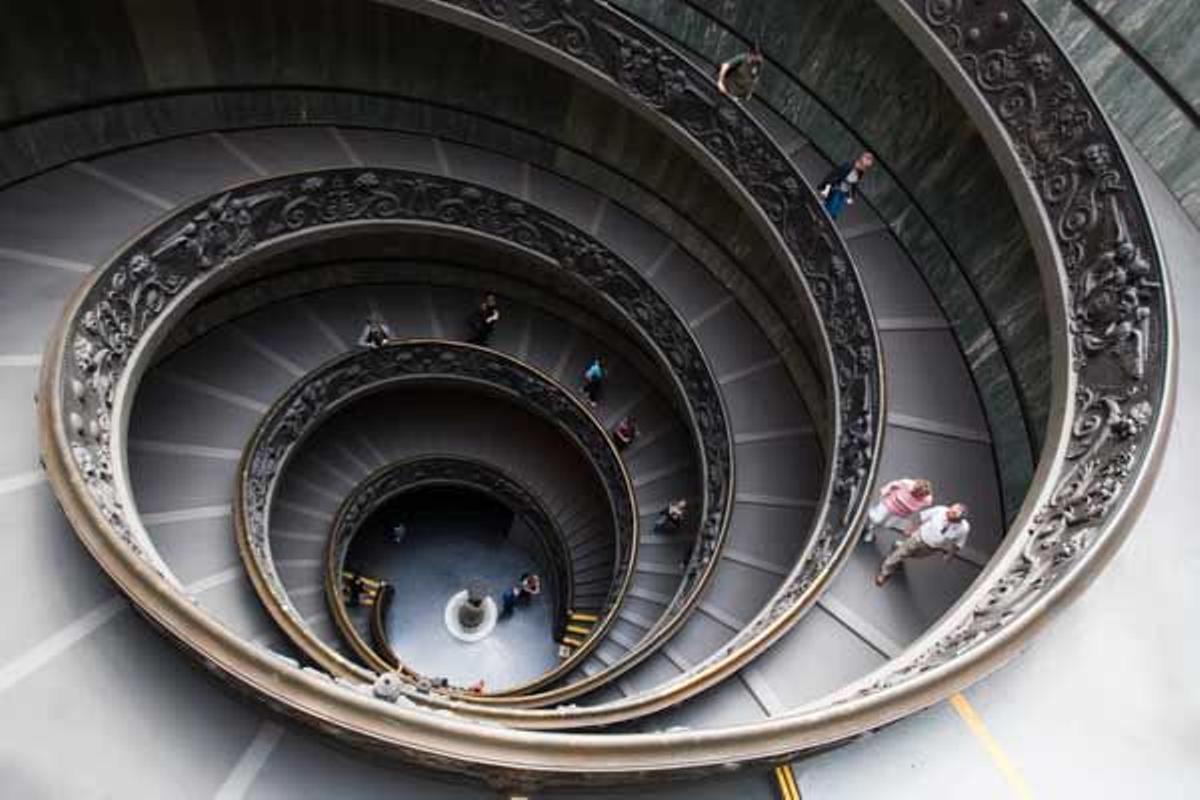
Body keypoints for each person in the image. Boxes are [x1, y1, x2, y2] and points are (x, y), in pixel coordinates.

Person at [875, 503, 970, 586]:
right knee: (901, 553)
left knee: (913, 555)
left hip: (931, 548)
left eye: (953, 513)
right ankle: (885, 572)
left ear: (959, 519)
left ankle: (898, 545)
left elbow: (958, 543)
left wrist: (950, 555)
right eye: (950, 509)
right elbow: (921, 516)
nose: (948, 512)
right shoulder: (940, 510)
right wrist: (910, 528)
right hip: (919, 538)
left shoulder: (963, 528)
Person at [863, 478, 933, 544]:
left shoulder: (927, 500)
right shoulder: (907, 483)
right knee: (876, 519)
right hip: (889, 504)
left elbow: (923, 507)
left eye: (919, 495)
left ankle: (871, 530)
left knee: (886, 525)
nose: (916, 495)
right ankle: (868, 521)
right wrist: (885, 491)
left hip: (900, 514)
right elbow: (893, 484)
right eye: (916, 492)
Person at [817, 151, 875, 220]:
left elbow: (854, 185)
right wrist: (825, 189)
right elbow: (833, 176)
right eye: (863, 166)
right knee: (831, 207)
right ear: (859, 162)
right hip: (836, 189)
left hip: (843, 192)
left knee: (836, 209)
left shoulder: (859, 173)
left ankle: (826, 218)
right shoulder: (848, 166)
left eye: (865, 167)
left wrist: (851, 196)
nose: (864, 168)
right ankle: (823, 215)